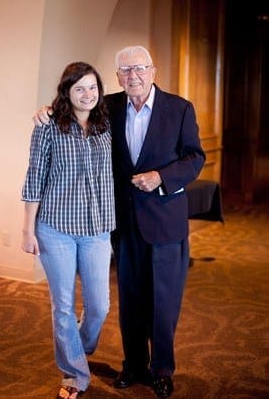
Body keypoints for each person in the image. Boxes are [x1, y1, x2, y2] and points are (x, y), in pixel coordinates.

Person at [33, 46, 205, 398]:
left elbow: (195, 157)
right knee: (129, 300)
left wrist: (161, 176)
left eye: (140, 68)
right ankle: (134, 365)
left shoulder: (179, 109)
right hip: (123, 224)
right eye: (125, 70)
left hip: (165, 223)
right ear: (117, 77)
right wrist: (47, 110)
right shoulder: (108, 107)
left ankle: (161, 369)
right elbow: (74, 106)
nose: (133, 76)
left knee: (163, 302)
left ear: (153, 71)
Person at [21, 62, 115, 399]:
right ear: (66, 92)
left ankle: (79, 345)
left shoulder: (107, 122)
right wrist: (27, 231)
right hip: (55, 228)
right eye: (79, 89)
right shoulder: (48, 126)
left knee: (100, 306)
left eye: (93, 87)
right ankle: (74, 375)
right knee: (62, 306)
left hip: (97, 230)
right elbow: (35, 177)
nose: (87, 94)